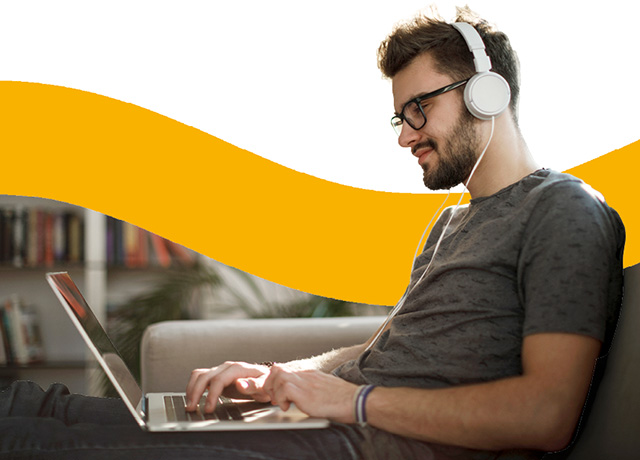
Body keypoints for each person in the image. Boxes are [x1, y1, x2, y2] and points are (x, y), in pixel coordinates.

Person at [0, 6, 625, 460]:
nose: (405, 135)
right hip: (313, 424)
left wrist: (348, 403)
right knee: (39, 407)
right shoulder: (453, 222)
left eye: (419, 109)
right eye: (399, 116)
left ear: (489, 95)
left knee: (33, 441)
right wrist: (275, 375)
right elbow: (383, 354)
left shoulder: (563, 212)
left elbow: (546, 417)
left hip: (350, 444)